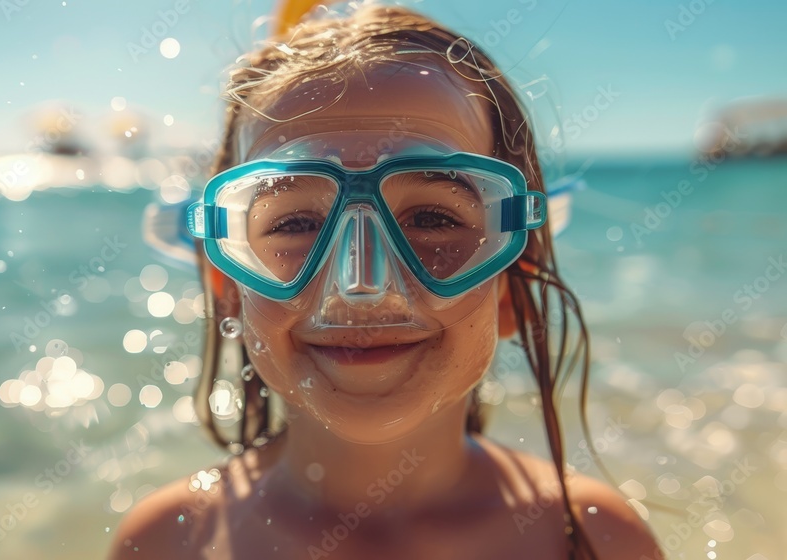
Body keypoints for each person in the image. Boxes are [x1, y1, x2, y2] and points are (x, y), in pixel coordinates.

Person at [108, 4, 662, 559]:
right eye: (296, 223)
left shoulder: (602, 540)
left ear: (514, 281)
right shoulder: (166, 542)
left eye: (432, 220)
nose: (361, 287)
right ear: (228, 286)